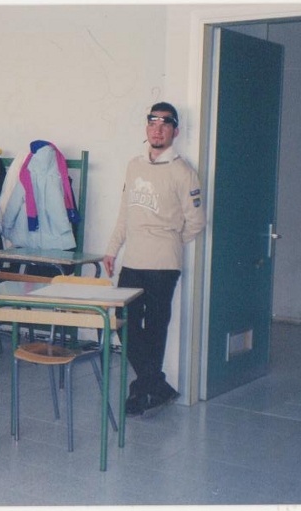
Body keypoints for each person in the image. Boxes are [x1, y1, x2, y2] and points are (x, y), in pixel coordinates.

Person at [103, 102, 206, 417]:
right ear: (146, 127)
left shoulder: (183, 172)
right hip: (132, 261)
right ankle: (155, 385)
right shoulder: (134, 166)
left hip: (164, 264)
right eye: (152, 123)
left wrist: (169, 240)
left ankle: (143, 391)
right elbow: (125, 213)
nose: (157, 130)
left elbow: (196, 222)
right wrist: (112, 249)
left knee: (155, 327)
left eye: (165, 124)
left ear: (175, 131)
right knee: (123, 321)